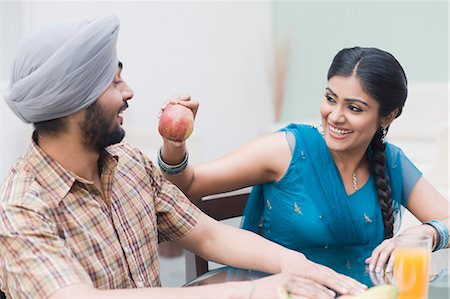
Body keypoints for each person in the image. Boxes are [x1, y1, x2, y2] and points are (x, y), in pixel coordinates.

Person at [0, 15, 367, 299]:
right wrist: (254, 290)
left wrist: (296, 265)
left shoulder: (129, 163)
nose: (129, 92)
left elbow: (207, 236)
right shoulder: (21, 210)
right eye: (113, 83)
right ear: (73, 100)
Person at [159, 47, 450, 284]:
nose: (335, 116)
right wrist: (174, 144)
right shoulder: (287, 150)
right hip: (284, 292)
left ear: (387, 117)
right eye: (330, 99)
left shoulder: (391, 163)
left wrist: (429, 232)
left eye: (354, 108)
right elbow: (188, 183)